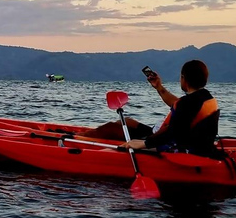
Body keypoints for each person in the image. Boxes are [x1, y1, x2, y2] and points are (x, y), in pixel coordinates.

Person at [82, 60, 219, 156]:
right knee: (127, 122)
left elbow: (172, 133)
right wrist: (159, 87)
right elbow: (177, 105)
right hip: (168, 138)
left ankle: (78, 141)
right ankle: (80, 138)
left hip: (171, 145)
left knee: (113, 138)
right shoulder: (203, 98)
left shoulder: (190, 103)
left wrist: (143, 143)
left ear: (183, 79)